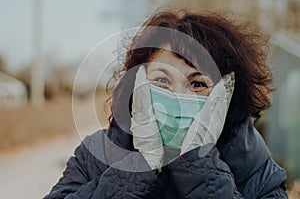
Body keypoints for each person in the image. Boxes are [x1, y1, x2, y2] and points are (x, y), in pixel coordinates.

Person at [44, 10, 288, 198]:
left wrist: (200, 164)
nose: (177, 97)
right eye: (162, 80)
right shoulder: (94, 155)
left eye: (197, 84)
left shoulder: (258, 170)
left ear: (225, 96)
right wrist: (139, 167)